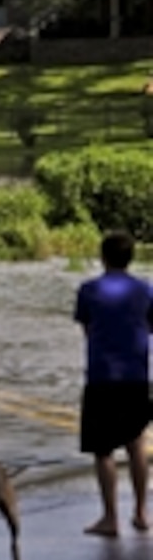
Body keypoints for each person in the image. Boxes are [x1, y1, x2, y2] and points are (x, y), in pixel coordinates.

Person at [75, 230, 153, 537]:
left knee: (103, 449)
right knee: (136, 444)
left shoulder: (89, 290)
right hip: (136, 375)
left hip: (102, 375)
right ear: (131, 258)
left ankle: (110, 518)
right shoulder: (146, 290)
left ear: (103, 256)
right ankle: (141, 512)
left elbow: (87, 328)